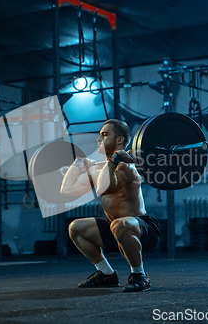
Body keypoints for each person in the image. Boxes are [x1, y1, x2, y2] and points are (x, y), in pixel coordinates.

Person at [60, 119, 160, 292]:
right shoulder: (100, 168)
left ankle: (140, 276)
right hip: (114, 228)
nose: (99, 139)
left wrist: (113, 161)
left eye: (105, 135)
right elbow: (66, 190)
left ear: (119, 140)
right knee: (75, 227)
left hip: (140, 227)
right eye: (99, 135)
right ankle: (106, 274)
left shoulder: (127, 167)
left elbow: (103, 188)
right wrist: (77, 166)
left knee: (120, 224)